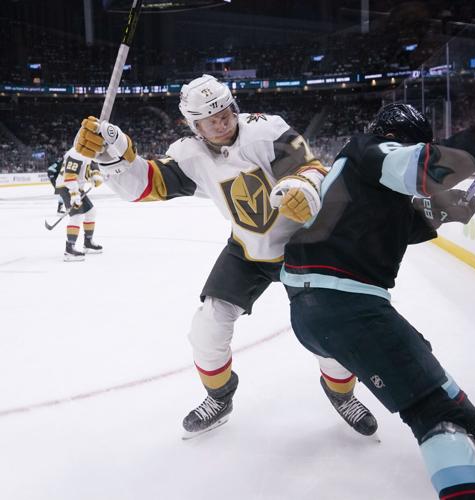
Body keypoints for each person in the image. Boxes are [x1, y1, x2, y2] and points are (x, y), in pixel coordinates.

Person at [280, 77, 475, 499]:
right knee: (431, 414)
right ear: (399, 139)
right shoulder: (372, 150)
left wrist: (443, 214)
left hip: (313, 308)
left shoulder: (350, 171)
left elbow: (389, 226)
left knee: (420, 363)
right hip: (346, 306)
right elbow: (425, 168)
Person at [71, 74, 377, 439]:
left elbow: (309, 167)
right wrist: (112, 153)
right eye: (210, 119)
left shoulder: (266, 131)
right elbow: (144, 186)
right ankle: (220, 397)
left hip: (303, 247)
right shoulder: (191, 154)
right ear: (193, 125)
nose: (221, 122)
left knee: (328, 329)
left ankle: (341, 393)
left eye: (226, 112)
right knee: (207, 328)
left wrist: (303, 186)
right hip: (247, 250)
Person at [53, 156, 104, 261]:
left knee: (91, 212)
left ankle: (88, 242)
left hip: (76, 186)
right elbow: (69, 177)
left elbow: (90, 167)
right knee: (77, 216)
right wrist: (74, 194)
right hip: (66, 185)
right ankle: (69, 250)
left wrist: (95, 176)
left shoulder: (88, 153)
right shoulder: (77, 154)